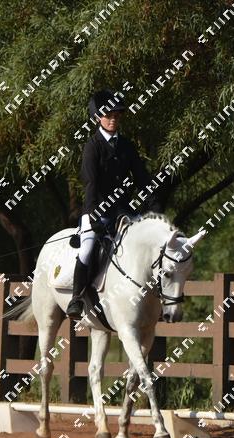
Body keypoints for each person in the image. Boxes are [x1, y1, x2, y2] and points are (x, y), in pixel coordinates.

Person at [66, 89, 159, 320]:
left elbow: (142, 178)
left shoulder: (126, 145)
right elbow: (91, 183)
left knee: (149, 243)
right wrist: (93, 217)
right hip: (96, 209)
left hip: (123, 210)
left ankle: (154, 297)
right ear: (98, 117)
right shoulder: (93, 146)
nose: (113, 119)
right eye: (109, 115)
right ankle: (76, 298)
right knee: (87, 249)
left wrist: (154, 207)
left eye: (117, 115)